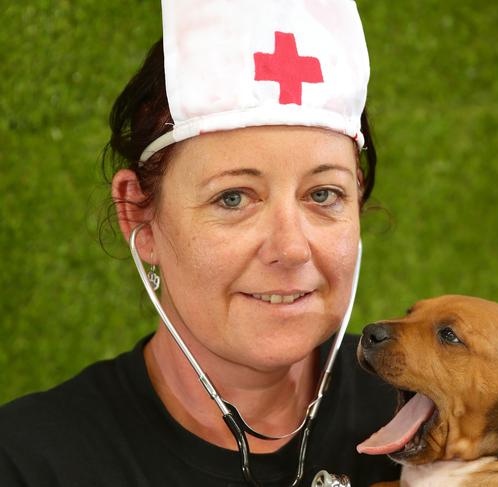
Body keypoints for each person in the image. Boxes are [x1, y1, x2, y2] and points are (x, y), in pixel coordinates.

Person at [0, 1, 401, 486]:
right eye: (233, 198)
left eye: (323, 194)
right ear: (139, 216)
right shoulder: (28, 463)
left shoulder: (445, 419)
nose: (292, 248)